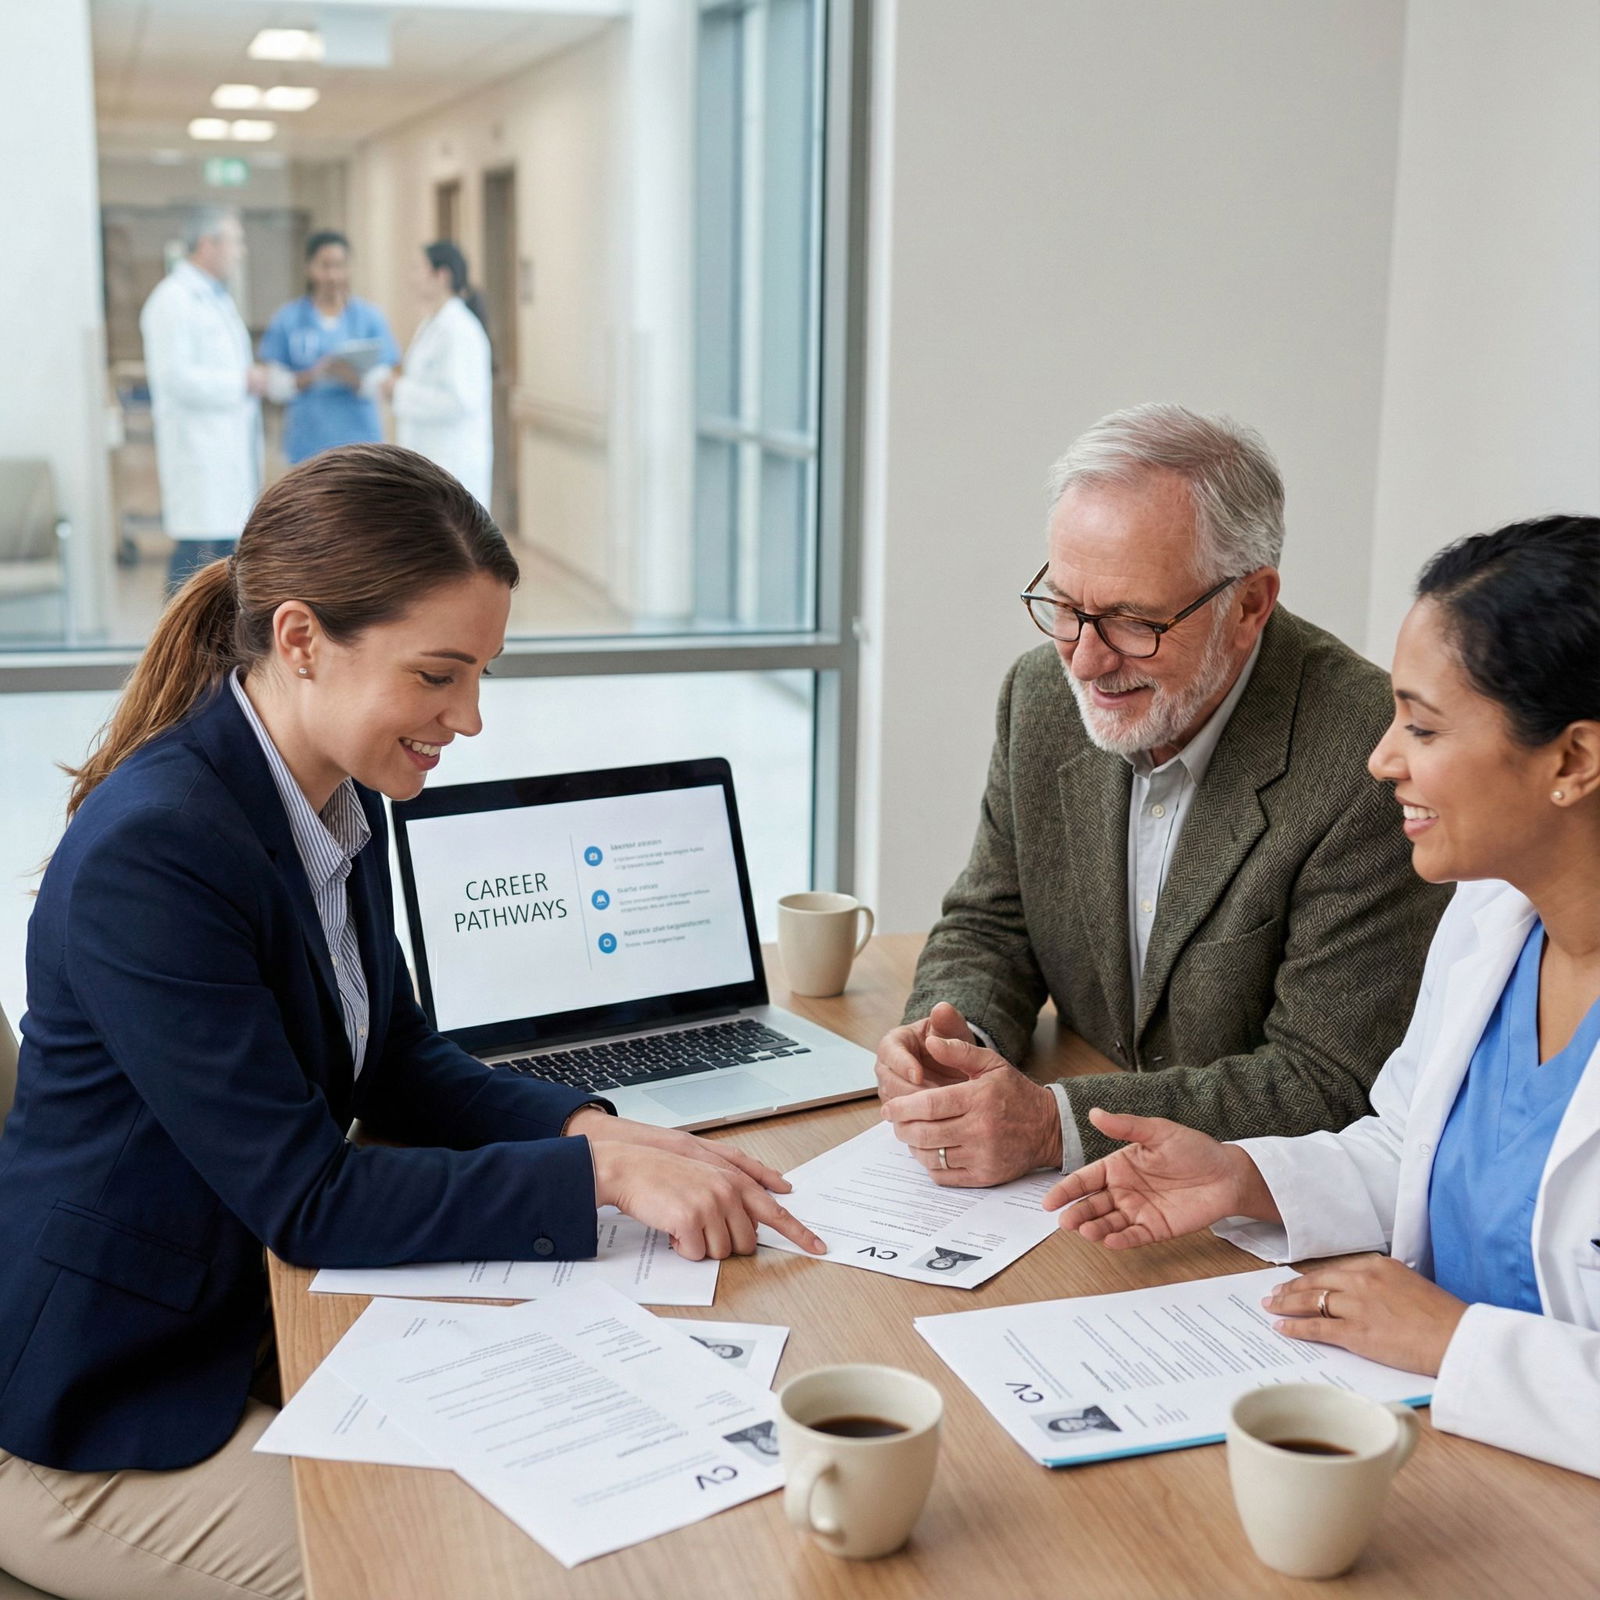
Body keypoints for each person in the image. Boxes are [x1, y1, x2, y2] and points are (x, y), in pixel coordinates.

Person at [0, 444, 824, 1600]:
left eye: (481, 675)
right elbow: (308, 1199)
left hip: (245, 1327)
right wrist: (597, 1182)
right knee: (422, 1571)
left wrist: (593, 1130)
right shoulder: (160, 849)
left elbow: (393, 1060)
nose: (469, 718)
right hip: (101, 1406)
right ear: (299, 641)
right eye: (440, 676)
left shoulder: (332, 792)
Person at [1045, 515, 1600, 1480]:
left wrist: (1454, 1342)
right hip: (1427, 1438)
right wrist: (1242, 1177)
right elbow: (1409, 1145)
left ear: (1573, 761)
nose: (1383, 758)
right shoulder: (1490, 918)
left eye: (1422, 728)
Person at [877, 404, 1449, 1186]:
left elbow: (1328, 1078)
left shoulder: (1369, 759)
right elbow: (992, 921)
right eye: (1066, 608)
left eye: (1131, 622)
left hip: (1243, 1211)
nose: (1083, 661)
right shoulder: (1039, 695)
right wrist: (951, 1036)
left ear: (1249, 604)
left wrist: (1056, 1125)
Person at [139, 205, 267, 591]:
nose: (240, 251)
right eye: (234, 241)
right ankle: (171, 649)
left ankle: (213, 649)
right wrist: (240, 382)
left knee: (223, 561)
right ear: (207, 244)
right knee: (194, 561)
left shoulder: (215, 298)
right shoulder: (172, 300)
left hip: (224, 452)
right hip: (198, 454)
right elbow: (176, 379)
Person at [259, 231, 400, 464]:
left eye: (340, 266)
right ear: (309, 267)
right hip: (307, 443)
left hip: (361, 442)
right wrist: (314, 374)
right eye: (325, 266)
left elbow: (386, 379)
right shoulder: (289, 319)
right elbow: (272, 385)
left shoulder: (368, 318)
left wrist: (353, 378)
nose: (333, 275)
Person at [383, 240, 493, 507]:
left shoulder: (460, 330)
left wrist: (399, 390)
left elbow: (459, 401)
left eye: (418, 269)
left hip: (452, 462)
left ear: (441, 276)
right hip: (429, 459)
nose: (412, 278)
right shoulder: (432, 324)